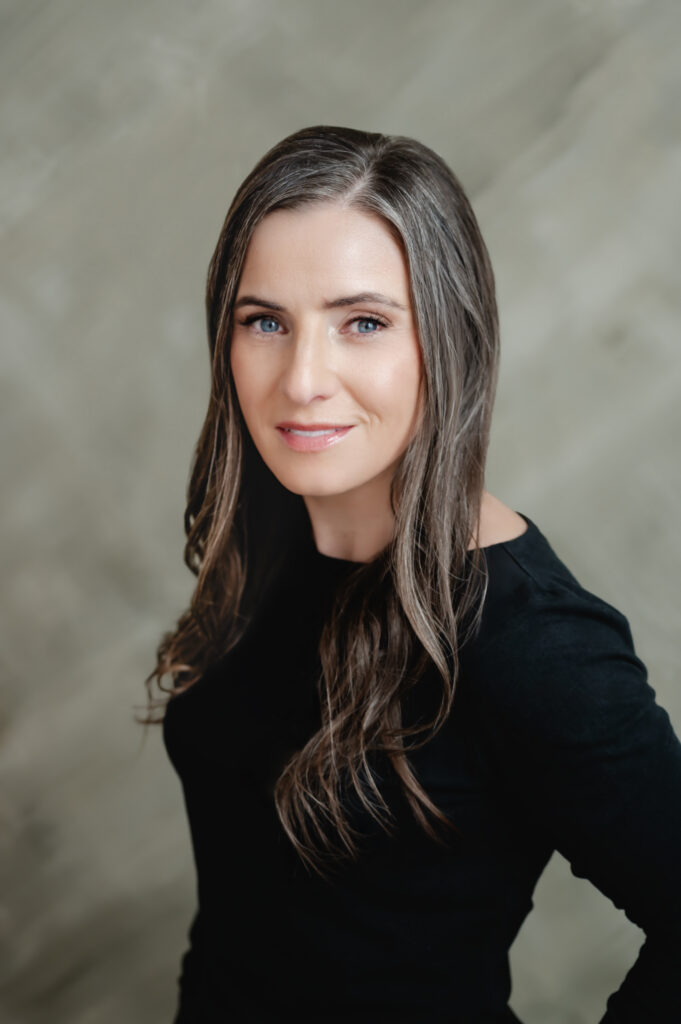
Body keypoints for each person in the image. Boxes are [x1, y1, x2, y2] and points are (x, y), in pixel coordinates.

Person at [142, 125, 681, 1023]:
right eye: (265, 321)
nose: (302, 379)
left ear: (448, 335)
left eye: (363, 323)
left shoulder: (531, 644)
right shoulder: (279, 528)